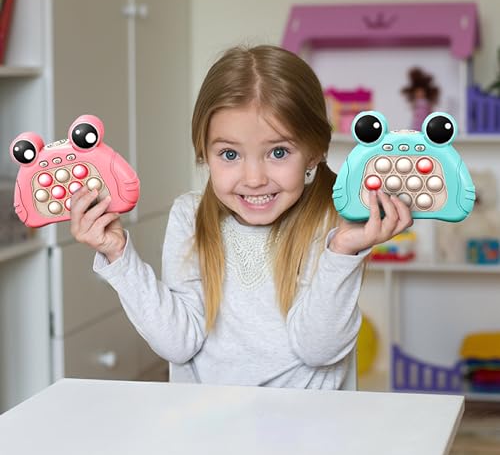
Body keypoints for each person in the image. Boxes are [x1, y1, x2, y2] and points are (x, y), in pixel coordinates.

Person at [70, 45, 413, 389]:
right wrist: (118, 256)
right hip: (209, 422)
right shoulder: (189, 216)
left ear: (314, 153)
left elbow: (318, 350)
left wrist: (341, 253)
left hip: (305, 423)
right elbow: (177, 343)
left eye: (278, 152)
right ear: (204, 154)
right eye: (230, 154)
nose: (254, 179)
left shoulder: (332, 222)